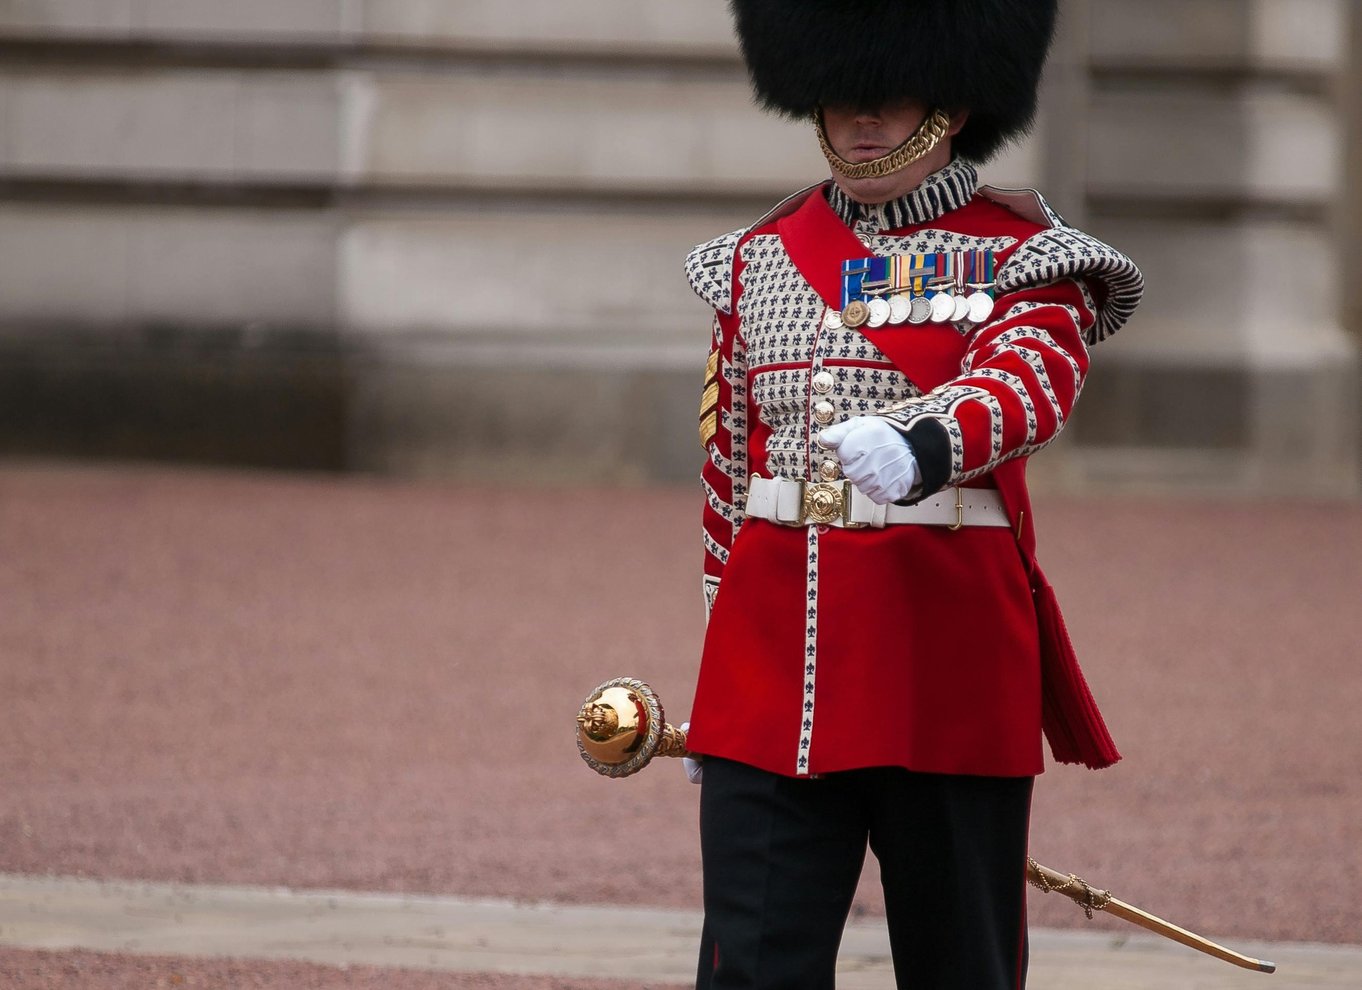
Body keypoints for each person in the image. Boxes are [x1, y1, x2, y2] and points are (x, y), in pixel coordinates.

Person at [680, 2, 1144, 988]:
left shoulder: (1021, 255)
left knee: (958, 967)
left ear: (952, 102)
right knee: (749, 968)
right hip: (773, 671)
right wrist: (717, 679)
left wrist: (923, 440)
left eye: (888, 98)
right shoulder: (760, 259)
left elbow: (1025, 384)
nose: (861, 119)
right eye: (841, 95)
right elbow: (729, 479)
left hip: (942, 662)